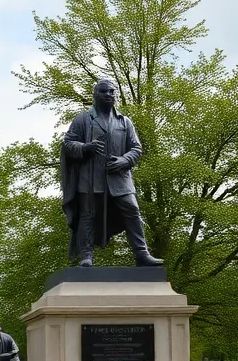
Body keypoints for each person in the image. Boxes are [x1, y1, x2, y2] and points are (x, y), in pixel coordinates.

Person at [60, 79, 164, 266]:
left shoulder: (124, 121)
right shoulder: (83, 119)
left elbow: (136, 148)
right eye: (103, 91)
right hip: (91, 178)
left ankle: (142, 254)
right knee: (88, 214)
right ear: (95, 95)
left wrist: (125, 160)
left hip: (120, 178)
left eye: (111, 91)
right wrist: (85, 147)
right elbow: (67, 144)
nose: (108, 94)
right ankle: (86, 256)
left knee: (132, 209)